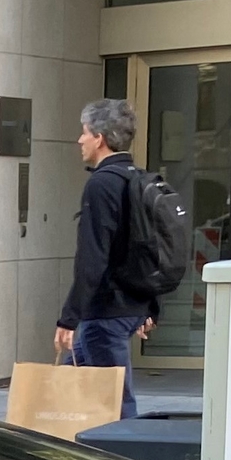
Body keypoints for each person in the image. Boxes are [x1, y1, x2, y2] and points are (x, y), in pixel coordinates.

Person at [54, 99, 156, 419]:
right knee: (69, 382)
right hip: (126, 307)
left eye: (84, 133)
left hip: (106, 311)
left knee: (115, 402)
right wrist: (149, 306)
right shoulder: (139, 180)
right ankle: (60, 446)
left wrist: (69, 317)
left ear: (99, 138)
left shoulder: (102, 184)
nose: (80, 140)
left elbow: (93, 257)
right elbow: (149, 249)